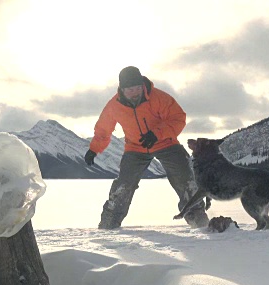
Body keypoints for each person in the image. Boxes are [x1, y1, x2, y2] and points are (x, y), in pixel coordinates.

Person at [84, 66, 209, 229]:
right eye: (130, 89)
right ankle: (108, 225)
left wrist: (156, 134)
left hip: (166, 143)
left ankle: (199, 222)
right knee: (123, 184)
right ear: (122, 89)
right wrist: (94, 149)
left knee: (185, 178)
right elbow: (103, 129)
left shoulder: (159, 98)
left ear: (142, 85)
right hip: (135, 148)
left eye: (137, 88)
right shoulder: (114, 106)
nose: (135, 92)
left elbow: (178, 118)